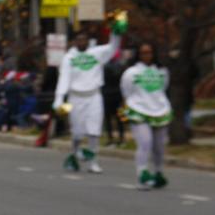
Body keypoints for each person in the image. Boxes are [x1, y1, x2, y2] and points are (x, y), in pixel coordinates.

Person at [52, 26, 123, 173]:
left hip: (94, 96)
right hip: (75, 98)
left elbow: (113, 47)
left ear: (88, 41)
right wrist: (59, 98)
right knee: (77, 133)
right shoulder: (69, 58)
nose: (81, 42)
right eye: (78, 40)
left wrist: (116, 33)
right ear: (74, 42)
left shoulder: (96, 53)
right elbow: (64, 78)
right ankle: (75, 152)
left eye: (84, 39)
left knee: (94, 131)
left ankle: (93, 161)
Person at [121, 43, 172, 190]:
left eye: (149, 52)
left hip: (160, 110)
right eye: (143, 53)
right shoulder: (131, 73)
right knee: (145, 142)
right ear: (138, 54)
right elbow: (126, 92)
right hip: (139, 111)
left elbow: (163, 88)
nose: (146, 55)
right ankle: (142, 173)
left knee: (159, 146)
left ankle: (158, 172)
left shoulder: (162, 71)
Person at [102, 53, 126, 146]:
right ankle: (120, 138)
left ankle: (111, 138)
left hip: (108, 94)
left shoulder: (104, 67)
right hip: (116, 94)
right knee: (119, 118)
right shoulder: (120, 66)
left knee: (109, 119)